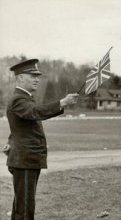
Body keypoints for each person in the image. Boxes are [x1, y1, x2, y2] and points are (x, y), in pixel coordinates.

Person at [5, 59, 79, 219]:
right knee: (24, 210)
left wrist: (10, 143)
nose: (37, 79)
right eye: (32, 76)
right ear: (20, 78)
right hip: (24, 160)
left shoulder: (24, 98)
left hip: (26, 159)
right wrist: (62, 102)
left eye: (37, 76)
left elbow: (19, 127)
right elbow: (35, 112)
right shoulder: (19, 99)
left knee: (21, 207)